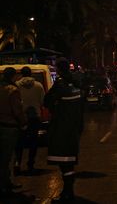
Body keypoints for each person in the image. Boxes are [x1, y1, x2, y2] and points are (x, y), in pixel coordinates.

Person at [44, 58, 84, 201]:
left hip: (61, 129)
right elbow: (82, 110)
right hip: (73, 129)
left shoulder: (59, 85)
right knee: (70, 163)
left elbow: (46, 100)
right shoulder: (77, 85)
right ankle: (68, 192)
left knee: (63, 164)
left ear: (59, 70)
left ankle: (67, 193)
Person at [0, 67, 26, 196]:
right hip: (9, 127)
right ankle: (5, 185)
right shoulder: (13, 90)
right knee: (7, 158)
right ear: (13, 77)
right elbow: (17, 111)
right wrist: (23, 123)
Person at [14, 66, 46, 174]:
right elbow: (42, 102)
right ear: (31, 74)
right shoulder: (38, 85)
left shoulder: (16, 85)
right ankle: (30, 164)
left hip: (21, 118)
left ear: (21, 74)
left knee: (19, 143)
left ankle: (17, 164)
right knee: (33, 142)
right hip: (35, 117)